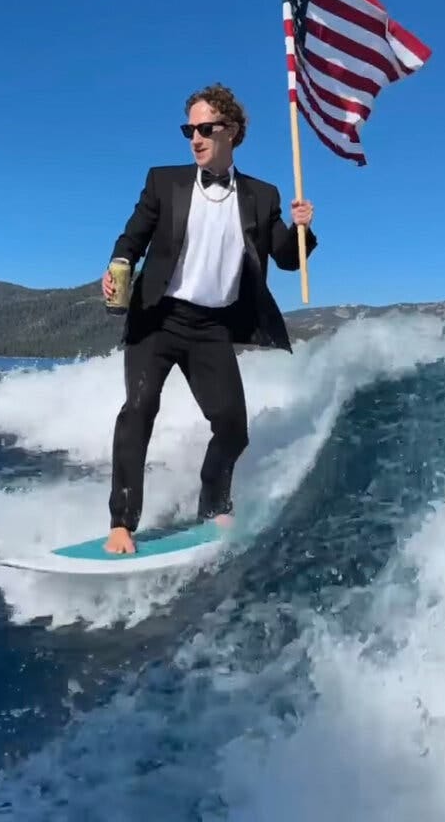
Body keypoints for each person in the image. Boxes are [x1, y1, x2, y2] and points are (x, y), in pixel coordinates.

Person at [101, 83, 317, 554]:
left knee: (233, 427)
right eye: (189, 130)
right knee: (138, 411)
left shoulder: (262, 195)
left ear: (232, 132)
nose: (195, 138)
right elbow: (132, 237)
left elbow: (285, 257)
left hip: (211, 328)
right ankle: (122, 522)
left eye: (205, 129)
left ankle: (212, 505)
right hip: (156, 318)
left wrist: (303, 228)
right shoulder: (165, 181)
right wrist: (119, 264)